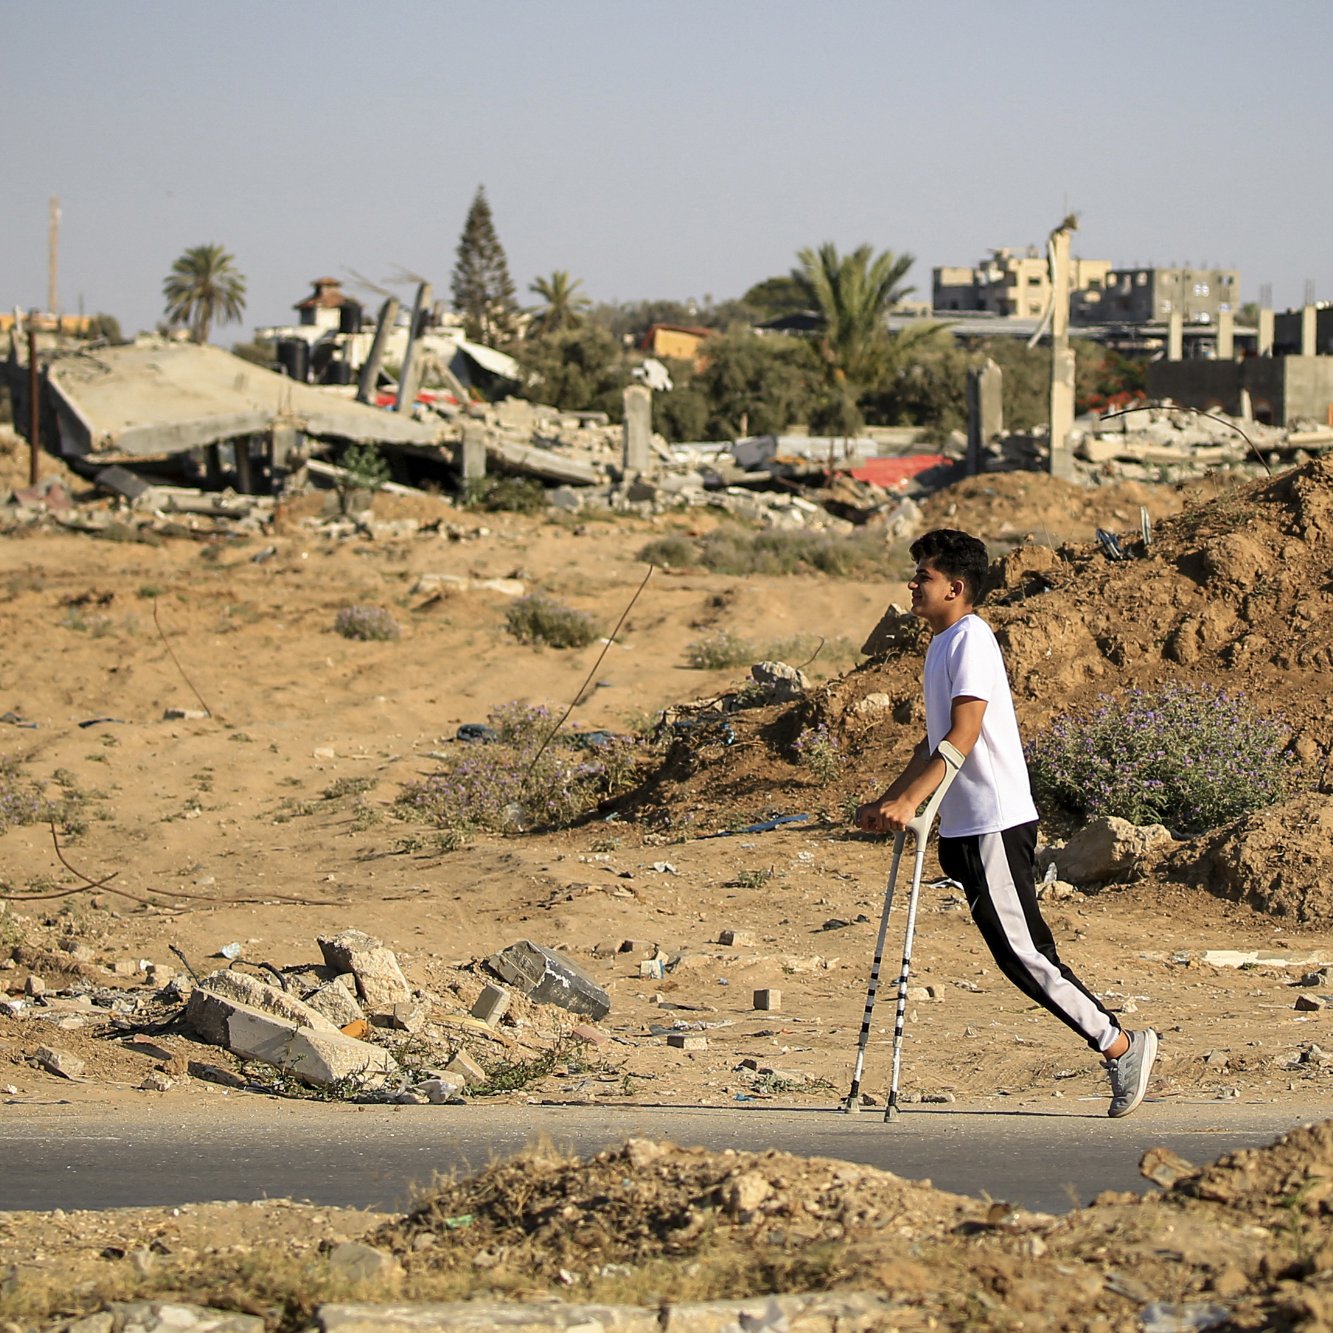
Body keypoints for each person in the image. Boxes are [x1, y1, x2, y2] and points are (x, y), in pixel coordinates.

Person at [854, 528, 1158, 1118]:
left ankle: (1121, 1045)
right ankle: (1117, 1042)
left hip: (995, 819)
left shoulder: (971, 638)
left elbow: (963, 736)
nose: (913, 585)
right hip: (966, 825)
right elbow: (932, 742)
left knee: (1023, 952)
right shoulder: (940, 644)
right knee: (1013, 951)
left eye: (925, 577)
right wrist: (888, 799)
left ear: (956, 588)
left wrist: (913, 803)